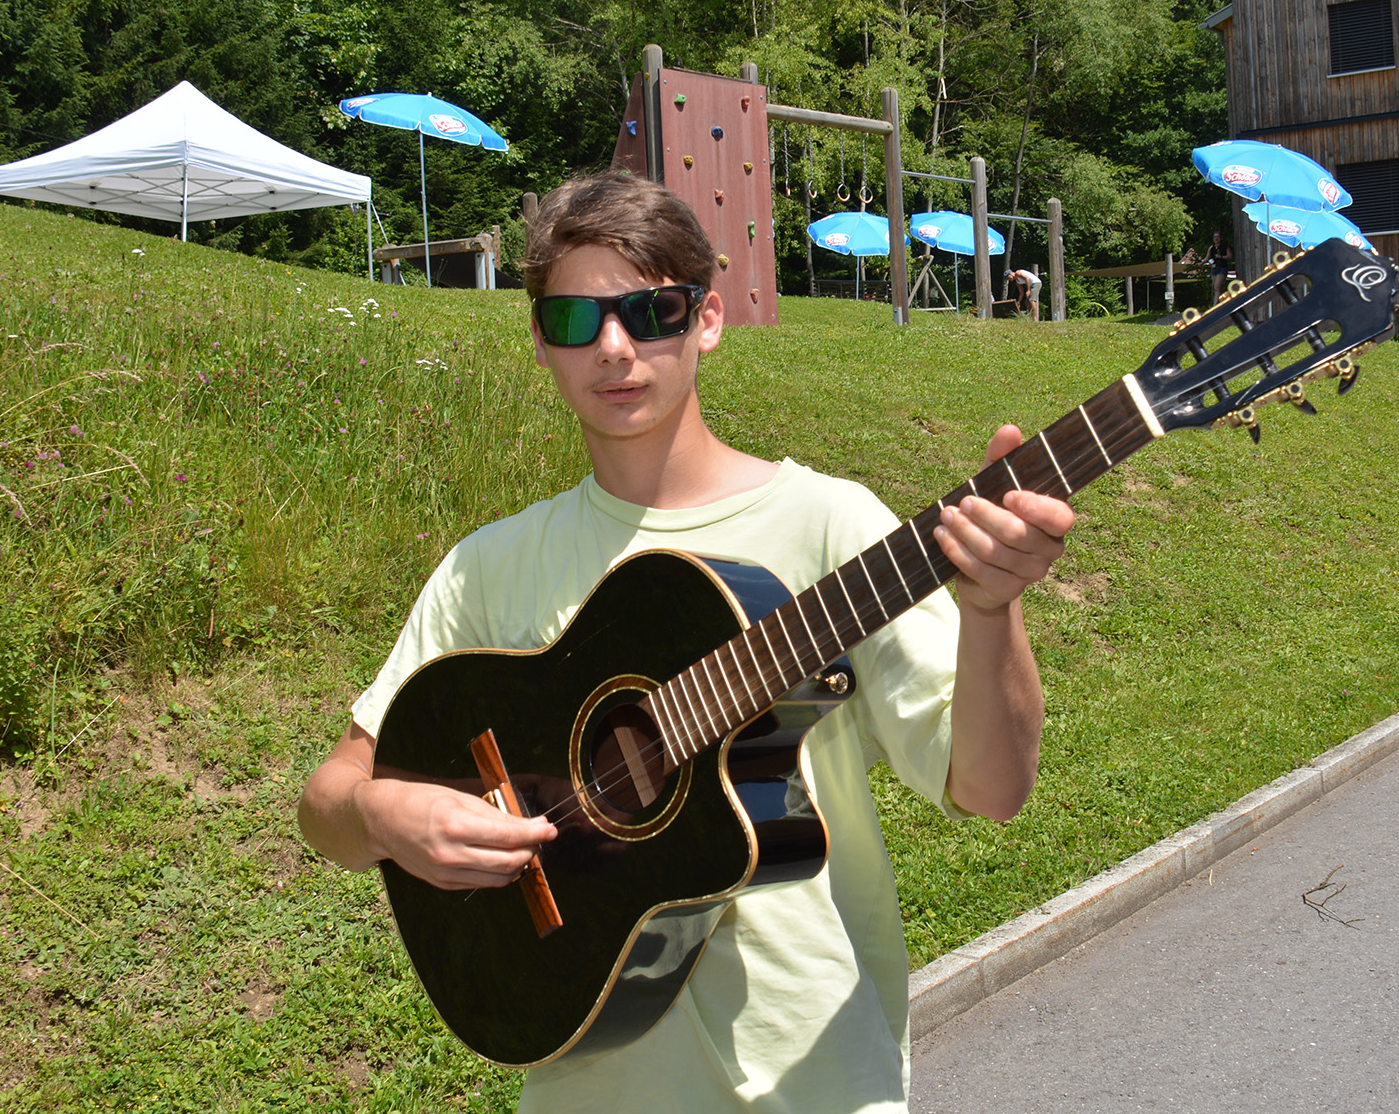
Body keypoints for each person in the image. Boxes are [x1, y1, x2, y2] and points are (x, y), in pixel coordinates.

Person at [298, 171, 1076, 1112]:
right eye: (575, 320)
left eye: (651, 311)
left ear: (707, 319)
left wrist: (991, 611)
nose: (614, 347)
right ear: (541, 341)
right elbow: (327, 800)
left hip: (819, 1089)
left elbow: (992, 788)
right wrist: (384, 815)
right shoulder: (487, 569)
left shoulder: (832, 526)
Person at [1205, 231, 1234, 302]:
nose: (1216, 238)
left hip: (1222, 268)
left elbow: (1230, 256)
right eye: (1215, 237)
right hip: (1214, 268)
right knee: (1217, 288)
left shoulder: (1225, 246)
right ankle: (1223, 301)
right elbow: (1207, 257)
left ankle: (1215, 305)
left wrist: (1221, 257)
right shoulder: (1211, 248)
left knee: (1217, 287)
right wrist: (1201, 262)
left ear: (1220, 238)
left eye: (1218, 237)